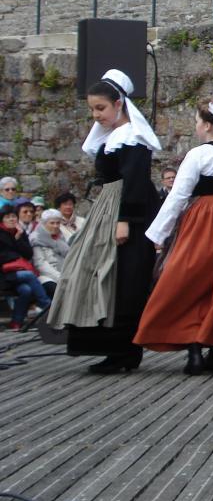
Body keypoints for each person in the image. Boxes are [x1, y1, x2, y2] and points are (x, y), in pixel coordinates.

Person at [48, 69, 161, 373]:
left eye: (101, 108)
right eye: (93, 109)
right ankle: (111, 347)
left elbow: (134, 181)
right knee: (97, 274)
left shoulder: (132, 138)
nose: (96, 115)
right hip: (110, 207)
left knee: (123, 278)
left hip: (127, 211)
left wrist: (124, 220)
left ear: (119, 104)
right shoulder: (114, 137)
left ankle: (124, 351)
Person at [135, 92, 213, 375]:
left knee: (188, 278)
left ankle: (194, 349)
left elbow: (177, 197)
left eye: (197, 121)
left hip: (204, 218)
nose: (196, 126)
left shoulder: (198, 154)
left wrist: (156, 235)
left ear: (208, 125)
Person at [0, 204, 52, 331]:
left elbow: (29, 253)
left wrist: (18, 239)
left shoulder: (19, 233)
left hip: (17, 273)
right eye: (8, 217)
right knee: (29, 275)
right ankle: (48, 307)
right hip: (3, 274)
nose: (12, 219)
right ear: (2, 220)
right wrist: (15, 258)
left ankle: (16, 322)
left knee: (26, 290)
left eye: (13, 216)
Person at [31, 208, 69, 296]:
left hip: (65, 273)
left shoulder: (61, 237)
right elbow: (40, 264)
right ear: (44, 224)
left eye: (58, 223)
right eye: (52, 223)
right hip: (47, 277)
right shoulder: (36, 238)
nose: (55, 226)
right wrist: (60, 277)